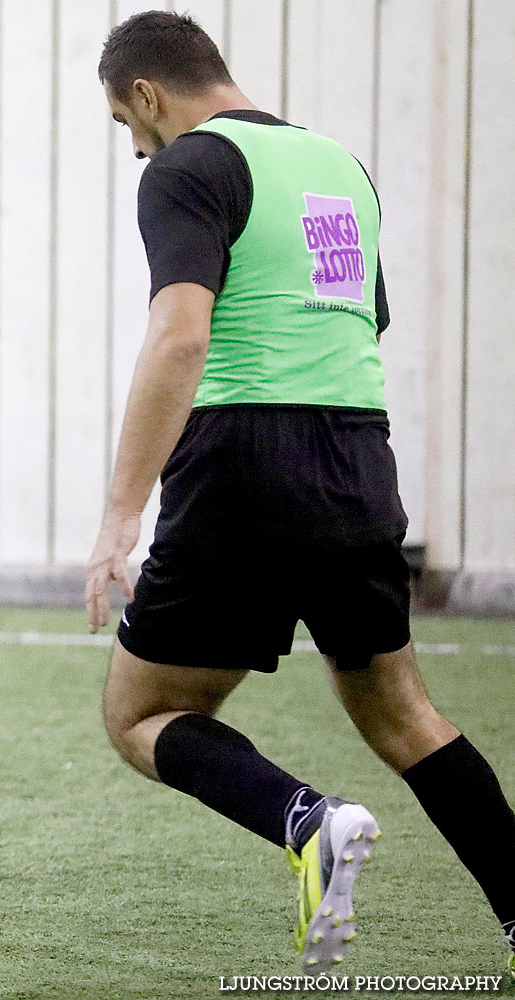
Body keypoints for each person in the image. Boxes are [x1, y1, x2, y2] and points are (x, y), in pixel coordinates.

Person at [85, 11, 515, 970]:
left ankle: (307, 821)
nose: (134, 145)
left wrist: (120, 516)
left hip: (241, 458)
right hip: (358, 455)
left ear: (146, 95)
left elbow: (180, 337)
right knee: (402, 712)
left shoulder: (186, 166)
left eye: (124, 123)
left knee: (139, 715)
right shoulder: (339, 168)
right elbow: (368, 318)